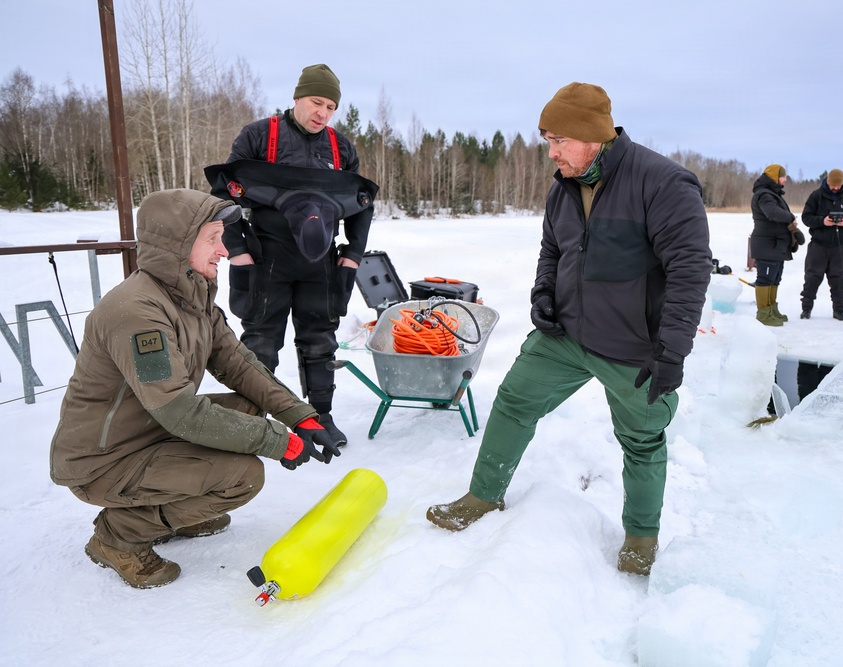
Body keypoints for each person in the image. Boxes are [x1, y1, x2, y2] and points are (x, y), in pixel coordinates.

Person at [425, 82, 712, 576]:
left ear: (592, 136)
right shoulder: (564, 186)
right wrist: (543, 293)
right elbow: (552, 251)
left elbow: (690, 268)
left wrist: (672, 350)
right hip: (565, 336)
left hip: (634, 348)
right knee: (514, 401)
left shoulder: (662, 182)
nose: (551, 152)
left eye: (559, 140)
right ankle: (483, 496)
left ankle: (641, 538)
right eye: (547, 140)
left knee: (642, 441)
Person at [50, 189, 340, 589]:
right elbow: (177, 411)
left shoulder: (192, 295)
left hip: (147, 431)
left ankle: (179, 507)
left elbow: (239, 364)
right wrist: (279, 442)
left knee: (247, 407)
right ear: (175, 245)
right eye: (212, 238)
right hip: (104, 460)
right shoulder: (138, 312)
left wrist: (300, 416)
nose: (223, 250)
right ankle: (116, 538)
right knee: (244, 476)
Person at [216, 63, 375, 447]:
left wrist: (352, 256)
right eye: (316, 102)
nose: (322, 113)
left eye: (331, 107)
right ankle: (254, 420)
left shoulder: (341, 148)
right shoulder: (259, 136)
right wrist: (238, 252)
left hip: (321, 263)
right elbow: (226, 193)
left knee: (321, 341)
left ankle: (321, 416)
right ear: (297, 98)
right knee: (261, 342)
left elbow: (361, 203)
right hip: (266, 257)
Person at [799, 169, 843, 320]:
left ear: (842, 183)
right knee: (812, 277)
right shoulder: (816, 196)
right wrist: (822, 221)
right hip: (818, 245)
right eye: (832, 185)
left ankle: (839, 310)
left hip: (839, 245)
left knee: (838, 278)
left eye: (838, 185)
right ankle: (806, 309)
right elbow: (806, 217)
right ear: (827, 182)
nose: (835, 188)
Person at [750, 164, 805, 327]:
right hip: (767, 244)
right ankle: (763, 313)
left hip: (775, 245)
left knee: (774, 278)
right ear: (774, 177)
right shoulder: (764, 195)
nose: (785, 180)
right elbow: (772, 213)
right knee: (765, 279)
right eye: (783, 176)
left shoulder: (772, 194)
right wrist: (790, 217)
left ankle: (772, 310)